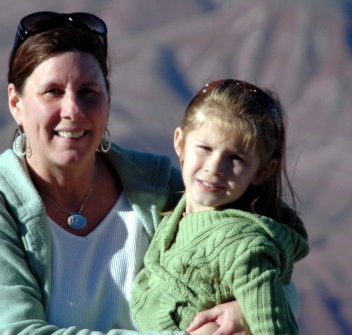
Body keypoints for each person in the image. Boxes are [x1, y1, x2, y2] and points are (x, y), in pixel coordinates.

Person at [0, 11, 301, 335]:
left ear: (108, 100)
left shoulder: (162, 188)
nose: (73, 110)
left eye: (89, 92)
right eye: (52, 92)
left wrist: (246, 311)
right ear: (16, 103)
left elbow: (265, 268)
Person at [130, 79, 310, 334]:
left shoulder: (242, 245)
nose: (214, 168)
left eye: (235, 158)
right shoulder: (174, 218)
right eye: (205, 148)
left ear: (262, 171)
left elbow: (275, 327)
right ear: (180, 142)